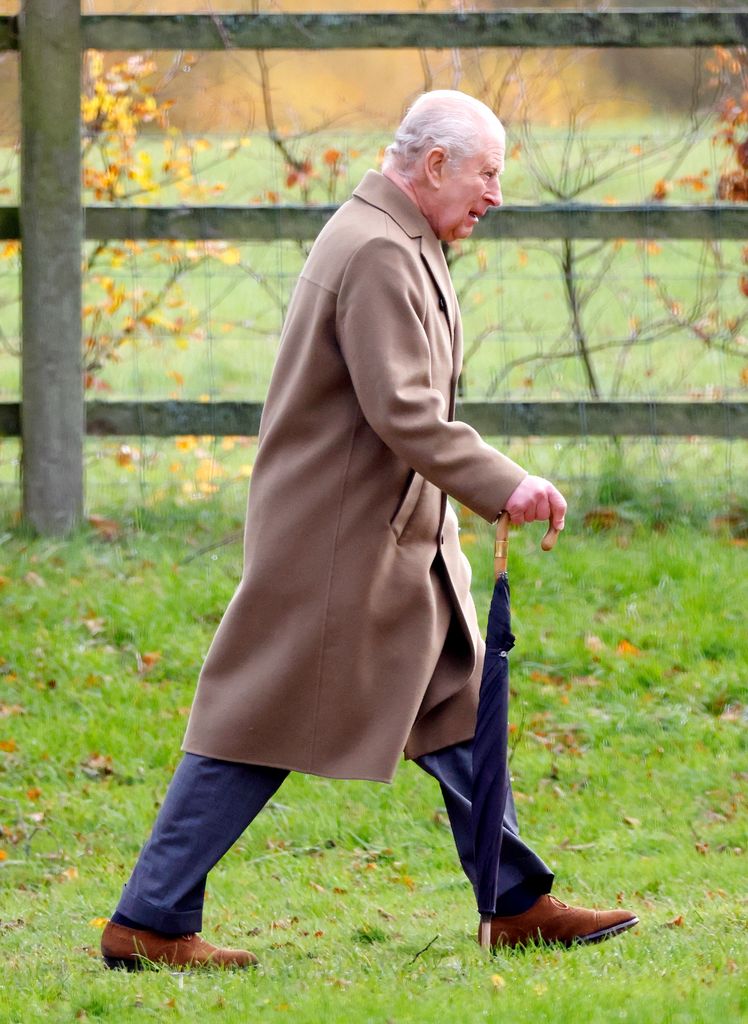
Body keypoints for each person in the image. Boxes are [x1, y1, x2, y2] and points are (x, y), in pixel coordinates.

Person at [100, 90, 637, 970]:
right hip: (340, 544)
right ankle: (150, 919)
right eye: (487, 174)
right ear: (433, 167)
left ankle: (515, 902)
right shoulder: (379, 250)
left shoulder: (399, 235)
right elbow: (405, 413)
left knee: (459, 704)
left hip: (397, 539)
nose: (496, 195)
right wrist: (509, 486)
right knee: (253, 722)